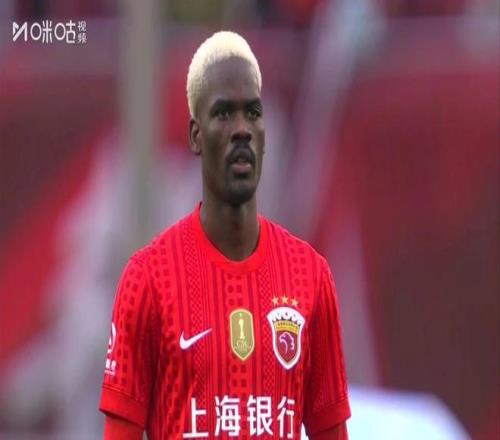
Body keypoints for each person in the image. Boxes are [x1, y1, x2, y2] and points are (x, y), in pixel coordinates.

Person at [99, 30, 351, 439]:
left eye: (252, 113)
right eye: (223, 114)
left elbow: (332, 430)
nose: (241, 130)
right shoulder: (148, 279)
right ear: (195, 135)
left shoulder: (310, 276)